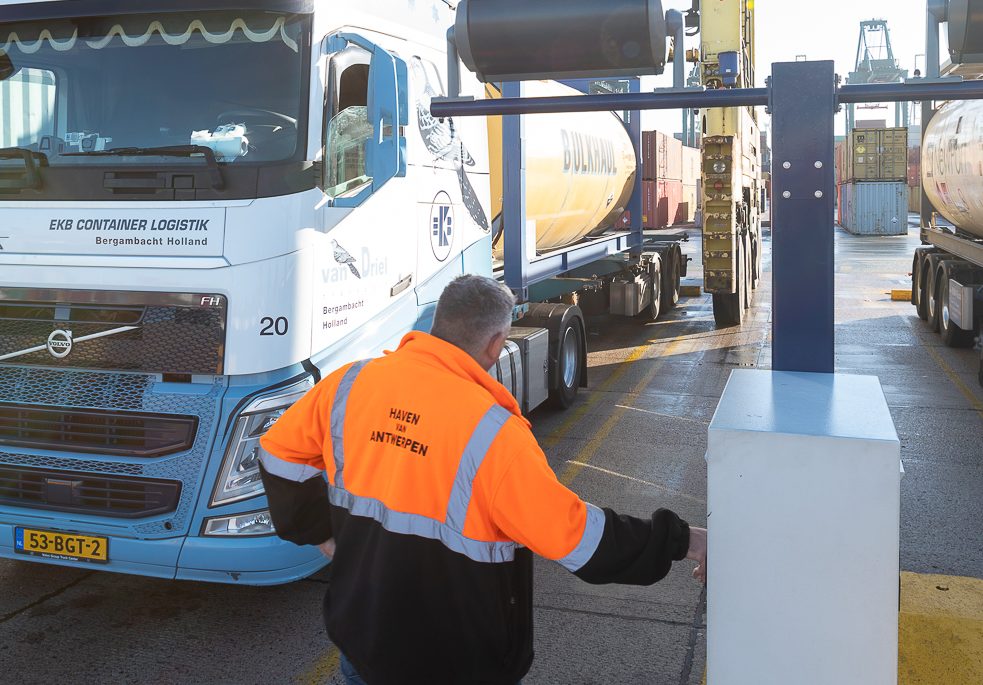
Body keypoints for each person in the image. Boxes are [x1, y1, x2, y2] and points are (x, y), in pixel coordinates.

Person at [261, 273, 706, 685]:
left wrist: (320, 530)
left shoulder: (349, 383)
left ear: (438, 325)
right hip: (452, 660)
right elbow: (578, 539)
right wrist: (682, 540)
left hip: (361, 639)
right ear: (496, 344)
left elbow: (277, 453)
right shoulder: (493, 435)